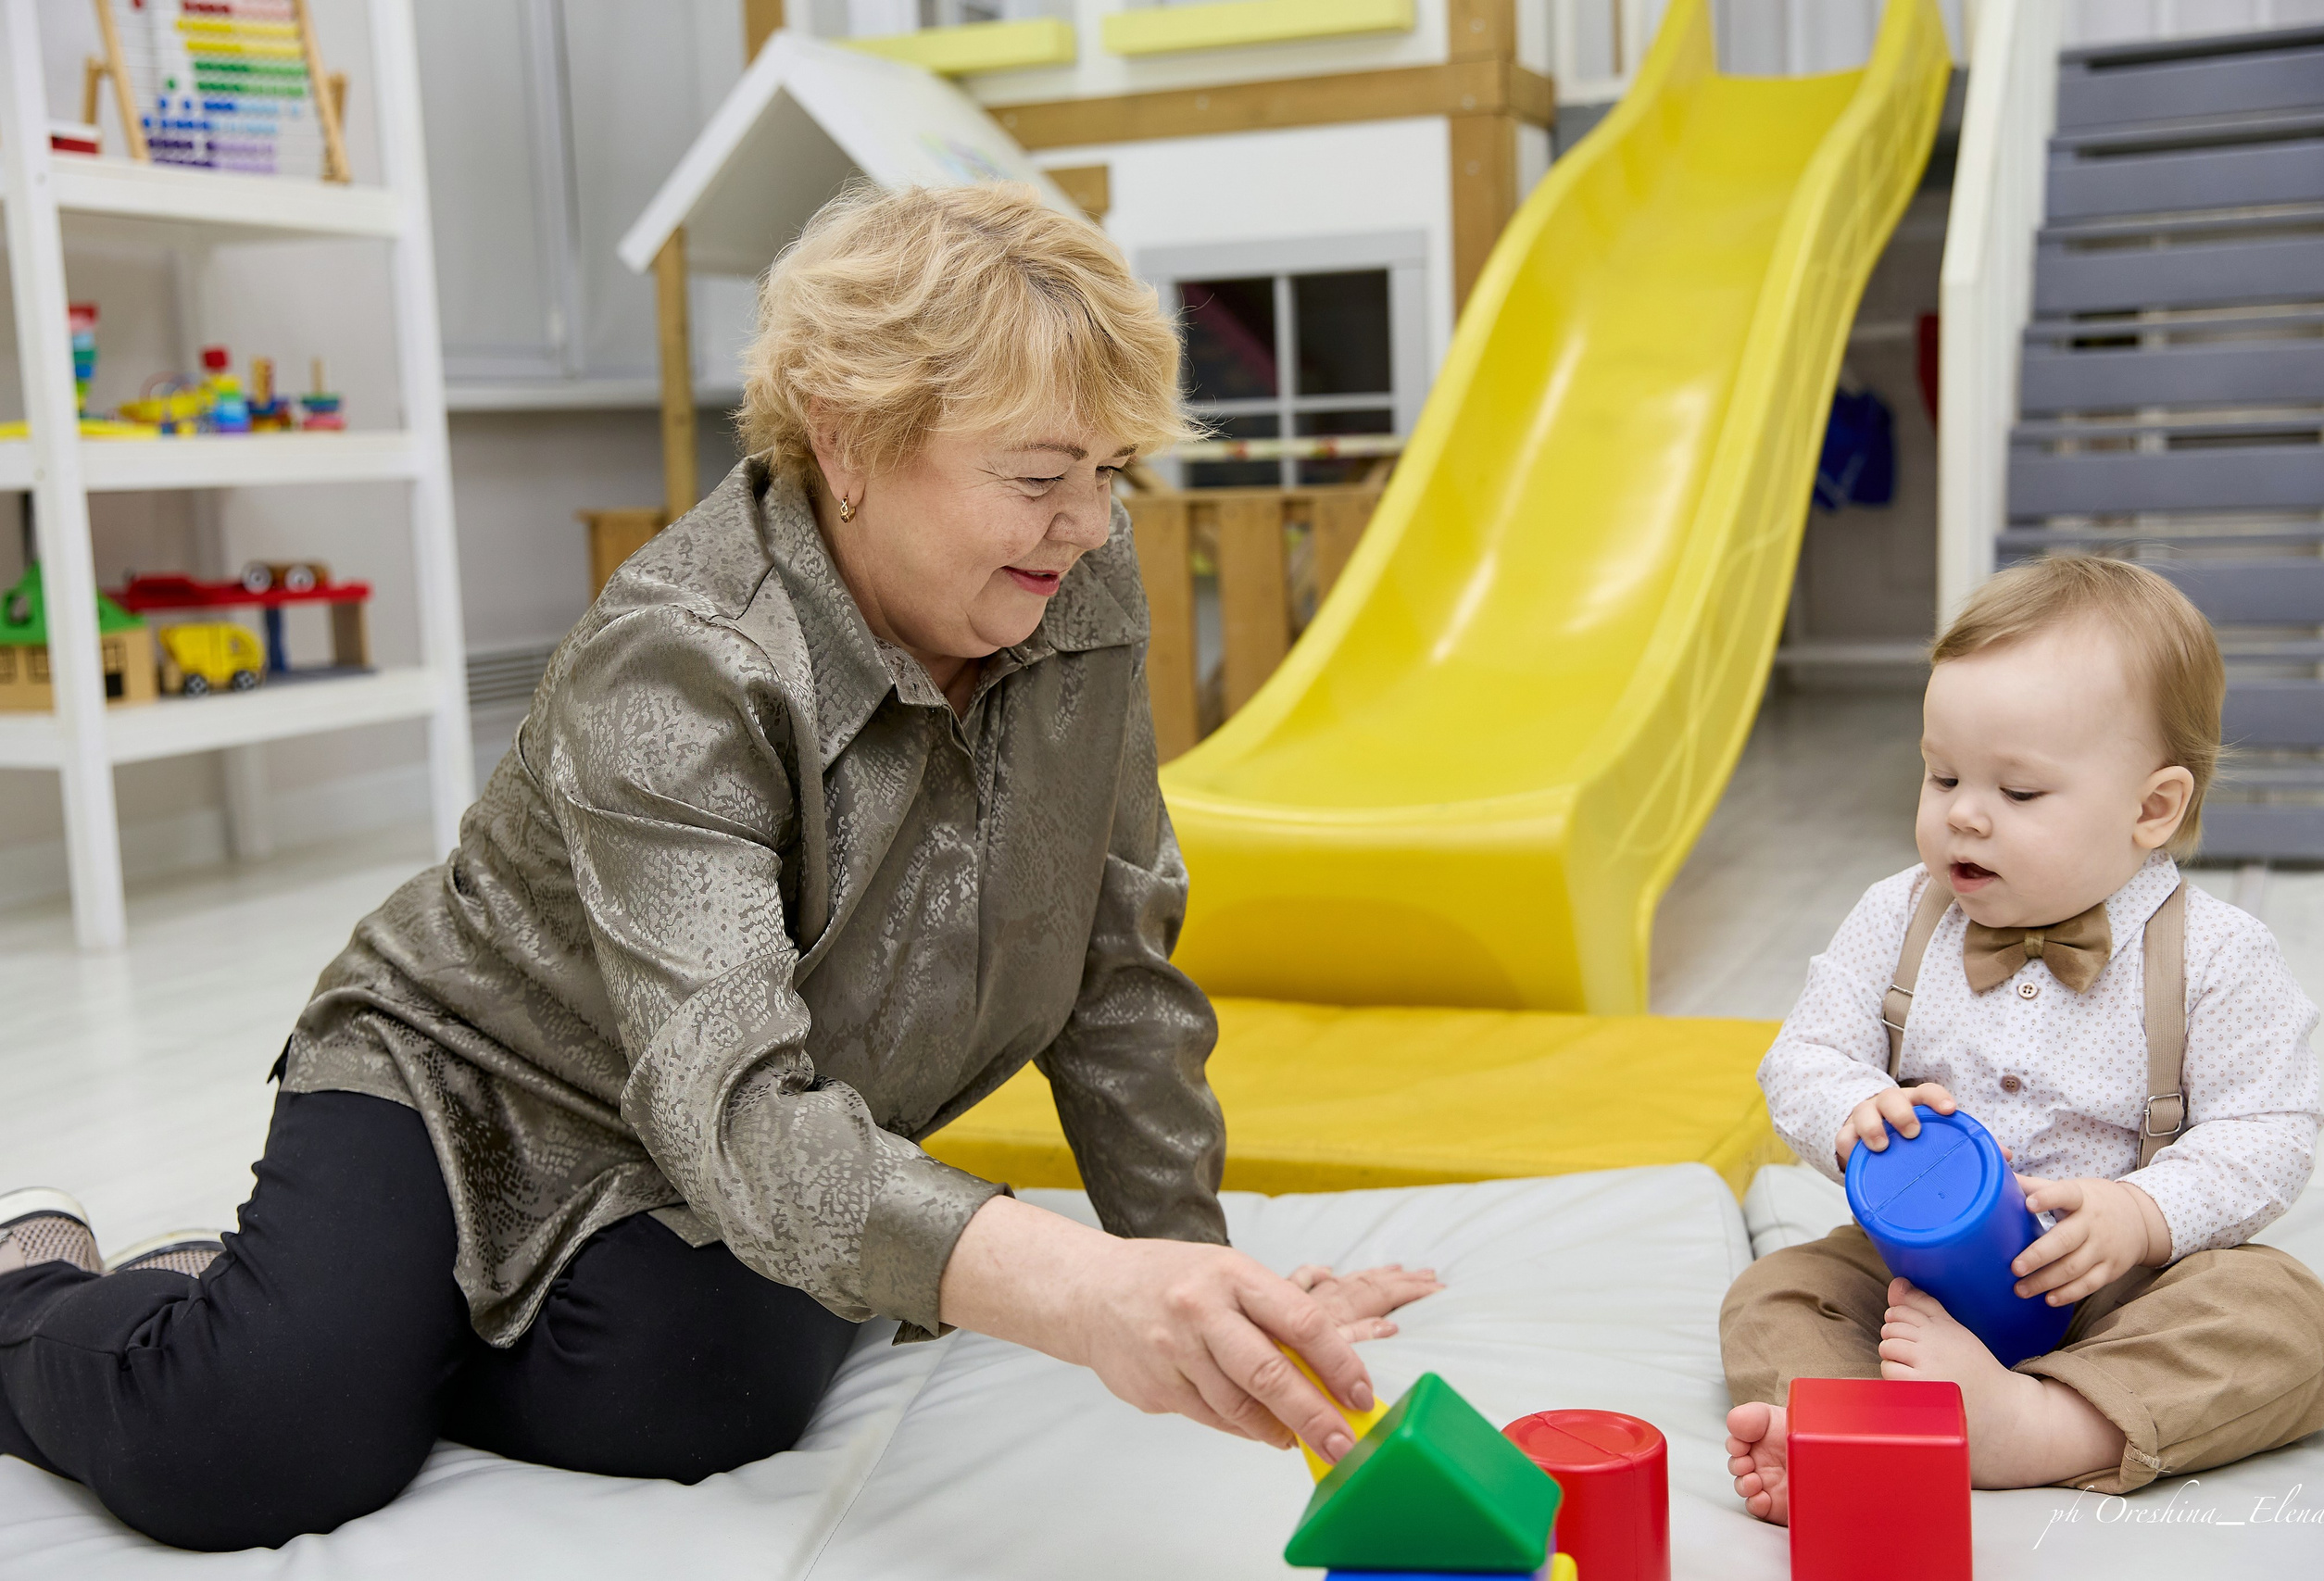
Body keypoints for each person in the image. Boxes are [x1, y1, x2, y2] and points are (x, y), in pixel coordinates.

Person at [0, 182, 1438, 1553]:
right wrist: (1084, 1290)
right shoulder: (685, 657)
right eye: (1041, 476)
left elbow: (1111, 959)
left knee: (697, 1393)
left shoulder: (1078, 584)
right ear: (849, 437)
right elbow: (736, 1104)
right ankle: (52, 1289)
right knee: (257, 1439)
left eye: (1111, 473)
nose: (1089, 522)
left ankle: (335, 1313)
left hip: (723, 1105)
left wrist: (1206, 1277)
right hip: (474, 1076)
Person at [1720, 556, 2324, 1521]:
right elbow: (1801, 1053)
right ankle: (1844, 1443)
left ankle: (2039, 1426)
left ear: (2151, 809)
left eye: (2017, 793)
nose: (1963, 812)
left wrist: (2142, 1214)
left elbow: (2270, 1128)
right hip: (1912, 1278)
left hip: (2119, 1288)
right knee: (1777, 1291)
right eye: (1941, 774)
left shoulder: (2214, 954)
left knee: (2286, 1323)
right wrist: (1853, 1111)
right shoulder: (1899, 916)